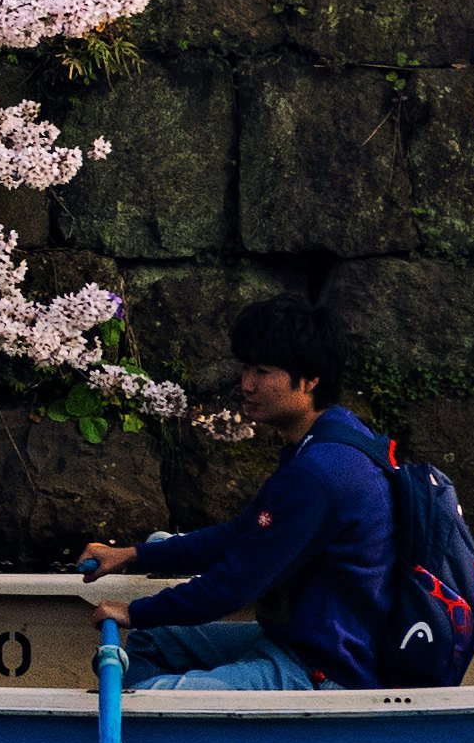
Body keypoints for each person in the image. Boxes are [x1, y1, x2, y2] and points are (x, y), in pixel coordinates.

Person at [85, 294, 400, 694]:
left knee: (154, 694)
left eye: (263, 371)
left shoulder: (320, 473)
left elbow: (235, 585)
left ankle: (147, 732)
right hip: (296, 639)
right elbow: (242, 535)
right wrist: (133, 555)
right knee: (154, 638)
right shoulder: (333, 436)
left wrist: (134, 611)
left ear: (310, 379)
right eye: (246, 368)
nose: (246, 384)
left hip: (326, 668)